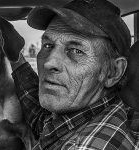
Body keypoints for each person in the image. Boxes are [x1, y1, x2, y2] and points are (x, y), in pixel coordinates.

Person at [9, 0, 139, 149]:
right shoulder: (87, 113)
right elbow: (40, 118)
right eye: (48, 45)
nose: (49, 63)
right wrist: (13, 54)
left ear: (113, 72)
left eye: (76, 51)